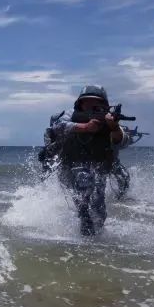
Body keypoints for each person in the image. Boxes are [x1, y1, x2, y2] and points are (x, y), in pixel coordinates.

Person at [49, 85, 130, 236]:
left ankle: (93, 244)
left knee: (99, 212)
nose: (93, 106)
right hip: (69, 165)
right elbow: (56, 127)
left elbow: (123, 141)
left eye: (97, 103)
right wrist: (85, 127)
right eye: (88, 102)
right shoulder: (70, 115)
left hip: (98, 167)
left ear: (105, 105)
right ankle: (83, 220)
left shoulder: (110, 119)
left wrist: (114, 128)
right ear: (80, 103)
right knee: (84, 183)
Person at [110, 126, 145, 200]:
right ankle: (119, 197)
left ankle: (119, 197)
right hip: (108, 162)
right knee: (124, 177)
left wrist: (131, 136)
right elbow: (124, 143)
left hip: (112, 162)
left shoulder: (117, 130)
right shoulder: (113, 131)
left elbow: (124, 143)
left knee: (125, 177)